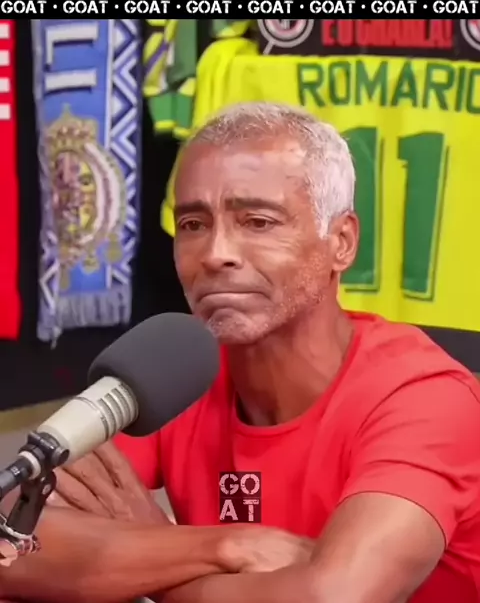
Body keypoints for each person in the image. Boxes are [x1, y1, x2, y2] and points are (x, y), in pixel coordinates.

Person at [2, 101, 480, 603]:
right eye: (193, 224)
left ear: (341, 242)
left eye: (257, 222)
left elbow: (332, 597)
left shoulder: (424, 399)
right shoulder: (174, 365)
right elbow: (12, 537)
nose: (215, 254)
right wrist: (224, 546)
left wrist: (152, 552)